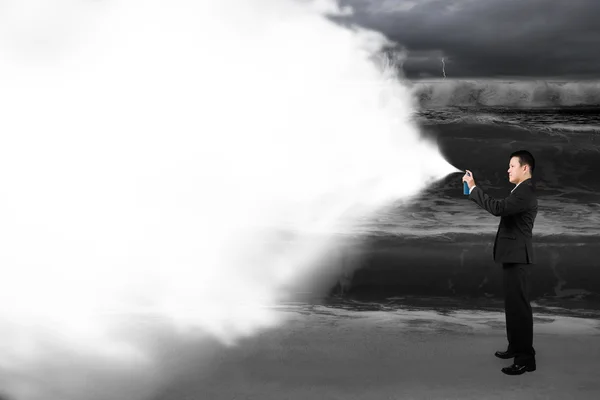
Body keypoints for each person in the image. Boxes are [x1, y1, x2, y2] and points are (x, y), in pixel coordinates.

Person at [462, 150, 538, 376]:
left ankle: (526, 360)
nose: (508, 169)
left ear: (525, 168)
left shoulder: (525, 191)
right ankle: (515, 347)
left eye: (512, 166)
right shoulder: (520, 190)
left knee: (520, 310)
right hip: (512, 257)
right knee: (513, 308)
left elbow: (498, 208)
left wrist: (474, 188)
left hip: (518, 258)